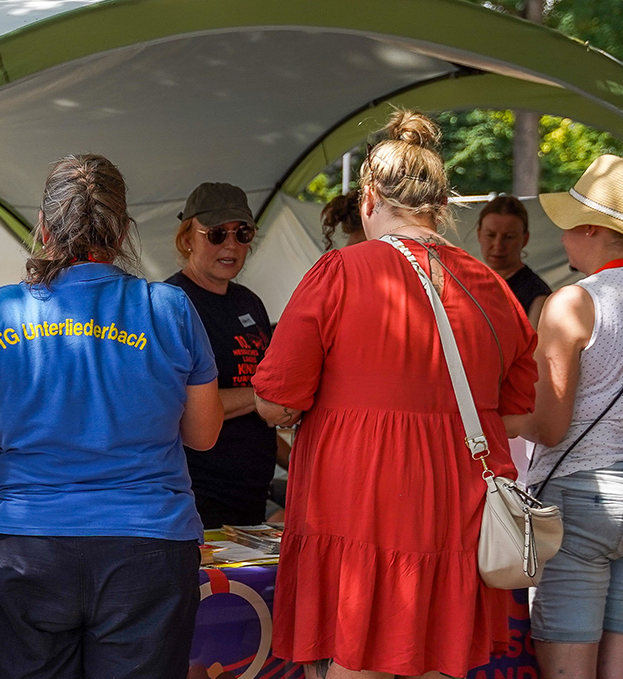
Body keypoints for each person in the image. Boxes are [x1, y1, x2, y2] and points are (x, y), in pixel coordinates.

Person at [251, 110, 538, 679]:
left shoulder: (340, 272)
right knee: (433, 661)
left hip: (358, 505)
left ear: (369, 197)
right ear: (442, 206)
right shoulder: (493, 289)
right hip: (456, 512)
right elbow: (518, 413)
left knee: (355, 661)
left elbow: (275, 402)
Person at [0, 154, 224, 679]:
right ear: (123, 230)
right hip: (149, 546)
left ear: (44, 228)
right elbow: (204, 435)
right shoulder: (171, 308)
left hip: (25, 548)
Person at [504, 155, 623, 679]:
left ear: (591, 227)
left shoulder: (572, 302)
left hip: (585, 495)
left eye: (568, 223)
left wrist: (498, 422)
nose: (562, 235)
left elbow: (550, 426)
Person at [166, 181, 280, 527]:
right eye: (216, 234)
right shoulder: (172, 303)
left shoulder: (250, 302)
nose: (231, 245)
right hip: (196, 499)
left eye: (242, 233)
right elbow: (178, 406)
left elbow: (264, 404)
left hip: (251, 498)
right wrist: (261, 397)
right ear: (187, 239)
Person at [475, 195, 551, 325]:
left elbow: (536, 344)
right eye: (490, 235)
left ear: (525, 239)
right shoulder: (470, 283)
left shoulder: (537, 296)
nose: (498, 245)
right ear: (479, 235)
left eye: (509, 237)